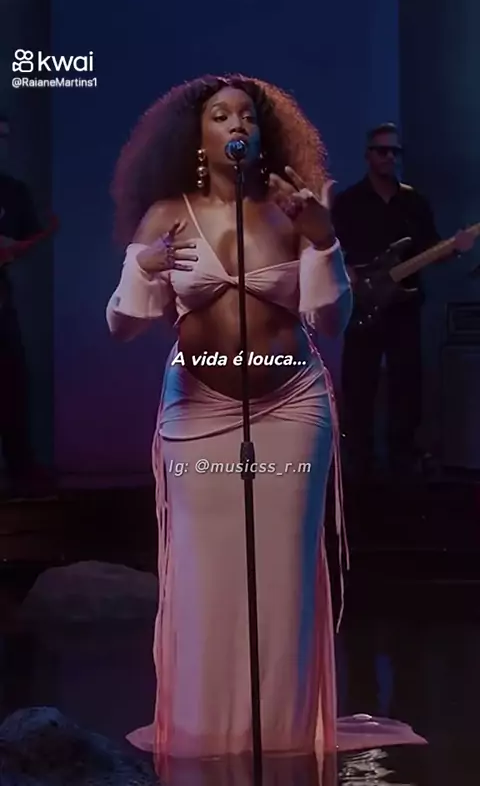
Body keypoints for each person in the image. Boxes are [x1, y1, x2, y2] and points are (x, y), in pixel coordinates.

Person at [106, 80, 425, 773]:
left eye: (247, 115)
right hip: (198, 411)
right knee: (204, 572)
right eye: (220, 115)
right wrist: (142, 266)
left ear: (264, 134)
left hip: (290, 409)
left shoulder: (292, 211)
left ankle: (282, 730)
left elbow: (331, 322)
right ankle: (204, 728)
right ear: (196, 137)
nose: (236, 125)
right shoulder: (167, 214)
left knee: (283, 573)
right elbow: (124, 326)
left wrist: (323, 239)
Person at [332, 122, 473, 484]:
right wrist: (354, 277)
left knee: (407, 386)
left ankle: (402, 460)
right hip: (362, 306)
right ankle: (359, 463)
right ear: (368, 155)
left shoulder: (415, 202)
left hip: (405, 308)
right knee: (359, 386)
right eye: (382, 150)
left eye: (395, 151)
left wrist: (455, 249)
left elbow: (431, 248)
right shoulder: (348, 202)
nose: (389, 157)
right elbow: (331, 253)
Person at [0, 114, 57, 500]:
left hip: (1, 303)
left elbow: (27, 236)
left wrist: (20, 246)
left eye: (3, 137)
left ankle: (22, 468)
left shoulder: (12, 191)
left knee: (12, 382)